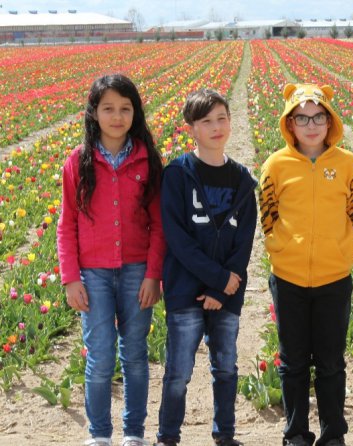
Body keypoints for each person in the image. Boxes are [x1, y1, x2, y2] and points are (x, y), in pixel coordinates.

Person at [57, 74, 165, 446]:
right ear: (94, 113)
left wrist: (154, 275)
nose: (117, 116)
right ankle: (99, 434)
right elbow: (66, 223)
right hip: (93, 273)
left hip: (137, 271)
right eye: (108, 109)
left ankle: (133, 432)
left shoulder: (147, 159)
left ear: (135, 113)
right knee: (100, 356)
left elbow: (159, 224)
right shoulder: (78, 162)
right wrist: (70, 277)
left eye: (125, 108)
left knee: (135, 354)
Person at [259, 83, 353, 446]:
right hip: (288, 277)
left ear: (330, 119)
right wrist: (281, 247)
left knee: (332, 362)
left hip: (334, 276)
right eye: (301, 118)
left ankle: (334, 434)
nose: (311, 125)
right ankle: (296, 434)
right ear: (289, 124)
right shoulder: (275, 165)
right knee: (293, 362)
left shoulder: (348, 164)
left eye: (318, 116)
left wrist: (341, 250)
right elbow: (268, 216)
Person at [154, 89, 257, 446]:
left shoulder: (242, 180)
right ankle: (168, 436)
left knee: (226, 367)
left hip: (226, 293)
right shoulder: (178, 175)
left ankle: (224, 434)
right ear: (192, 129)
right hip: (185, 289)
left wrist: (221, 289)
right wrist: (216, 280)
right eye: (206, 121)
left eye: (221, 118)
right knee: (179, 371)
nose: (216, 127)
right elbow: (178, 240)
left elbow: (244, 241)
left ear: (230, 122)